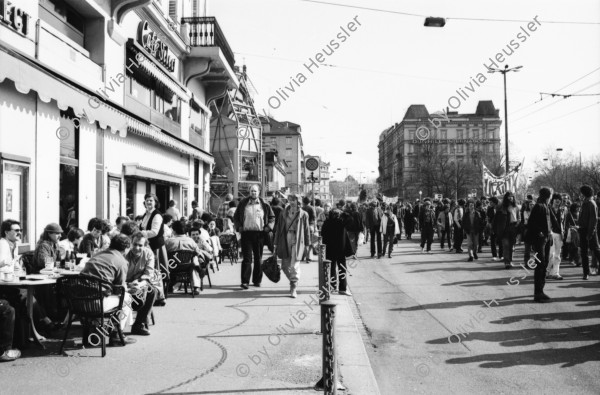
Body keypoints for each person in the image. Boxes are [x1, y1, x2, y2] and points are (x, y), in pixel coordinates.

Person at [80, 234, 137, 345]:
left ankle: (96, 329)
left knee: (100, 293)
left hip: (78, 303)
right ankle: (116, 334)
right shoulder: (121, 261)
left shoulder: (97, 255)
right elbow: (119, 289)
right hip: (96, 303)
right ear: (126, 248)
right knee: (127, 298)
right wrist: (129, 289)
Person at [233, 185, 275, 289]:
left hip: (259, 234)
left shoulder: (264, 204)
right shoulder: (243, 203)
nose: (253, 193)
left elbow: (272, 217)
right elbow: (236, 217)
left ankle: (257, 280)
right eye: (252, 191)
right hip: (246, 234)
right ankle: (245, 281)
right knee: (247, 258)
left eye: (255, 191)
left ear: (259, 192)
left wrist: (268, 227)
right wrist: (239, 227)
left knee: (258, 258)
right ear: (249, 192)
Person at [272, 194, 310, 298]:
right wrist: (275, 243)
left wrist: (307, 245)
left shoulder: (304, 214)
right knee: (284, 266)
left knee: (294, 265)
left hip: (297, 240)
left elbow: (306, 230)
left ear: (298, 201)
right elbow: (279, 229)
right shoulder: (283, 213)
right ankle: (293, 281)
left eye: (294, 200)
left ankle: (293, 286)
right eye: (290, 200)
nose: (292, 202)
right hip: (285, 239)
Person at [125, 232, 158, 336]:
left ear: (145, 246)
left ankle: (139, 324)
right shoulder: (124, 253)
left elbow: (148, 274)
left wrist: (139, 284)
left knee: (152, 291)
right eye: (134, 244)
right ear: (130, 243)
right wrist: (128, 285)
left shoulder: (148, 253)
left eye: (140, 245)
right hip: (124, 283)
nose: (137, 247)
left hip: (140, 282)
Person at [165, 222, 212, 295]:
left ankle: (169, 285)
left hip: (172, 267)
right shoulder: (191, 241)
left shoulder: (168, 241)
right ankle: (196, 287)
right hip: (187, 266)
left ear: (174, 230)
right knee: (194, 262)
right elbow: (198, 252)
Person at [526, 187, 552, 302]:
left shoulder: (546, 206)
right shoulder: (539, 206)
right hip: (539, 240)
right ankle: (538, 293)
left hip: (546, 239)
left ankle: (541, 290)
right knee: (540, 265)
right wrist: (539, 233)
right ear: (548, 195)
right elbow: (531, 223)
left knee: (544, 264)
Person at [321, 209, 354, 296]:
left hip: (330, 249)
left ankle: (332, 287)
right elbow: (351, 219)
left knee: (332, 269)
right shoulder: (341, 222)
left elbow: (323, 234)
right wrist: (344, 213)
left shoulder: (326, 223)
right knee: (342, 269)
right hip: (341, 249)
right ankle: (342, 289)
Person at [140, 193, 167, 281]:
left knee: (156, 268)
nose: (148, 202)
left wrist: (141, 233)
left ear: (155, 202)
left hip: (156, 245)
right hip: (147, 245)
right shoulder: (145, 214)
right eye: (147, 200)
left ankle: (158, 287)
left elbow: (154, 232)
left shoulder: (157, 215)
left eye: (151, 200)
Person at [578, 185, 600, 280]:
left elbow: (593, 220)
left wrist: (590, 233)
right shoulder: (585, 202)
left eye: (582, 193)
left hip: (590, 231)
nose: (580, 195)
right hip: (583, 230)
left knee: (596, 250)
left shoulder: (591, 203)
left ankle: (587, 272)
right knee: (584, 253)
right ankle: (585, 272)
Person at [497, 192, 520, 268]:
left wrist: (517, 224)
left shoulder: (516, 207)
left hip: (513, 227)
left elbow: (519, 217)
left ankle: (510, 260)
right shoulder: (502, 207)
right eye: (509, 197)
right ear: (506, 198)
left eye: (512, 197)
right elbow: (498, 219)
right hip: (505, 228)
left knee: (512, 246)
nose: (510, 198)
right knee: (506, 245)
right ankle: (507, 262)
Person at [546, 193, 564, 280]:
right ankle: (547, 272)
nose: (558, 200)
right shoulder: (548, 209)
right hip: (551, 233)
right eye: (556, 199)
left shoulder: (562, 210)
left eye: (559, 199)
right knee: (550, 254)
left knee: (557, 255)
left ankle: (556, 273)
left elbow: (562, 223)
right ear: (552, 200)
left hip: (559, 234)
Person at [301, 197, 316, 263]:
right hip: (310, 226)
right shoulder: (312, 208)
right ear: (309, 202)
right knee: (309, 242)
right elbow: (314, 218)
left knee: (303, 242)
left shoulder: (302, 208)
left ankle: (302, 256)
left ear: (303, 202)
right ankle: (308, 257)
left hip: (302, 227)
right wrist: (315, 228)